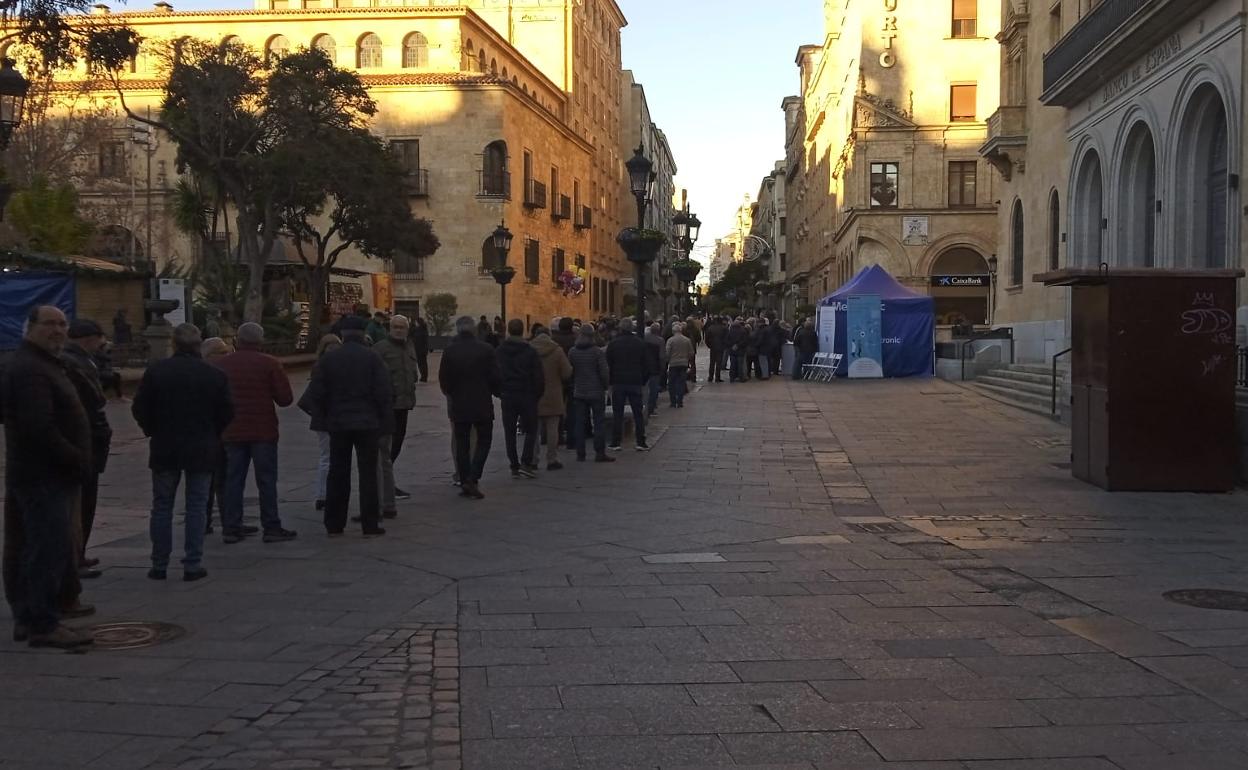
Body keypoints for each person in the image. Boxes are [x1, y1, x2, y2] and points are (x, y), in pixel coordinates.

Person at [2, 306, 95, 648]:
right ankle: (43, 622)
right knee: (47, 548)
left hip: (43, 473)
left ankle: (30, 617)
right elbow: (38, 427)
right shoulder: (30, 369)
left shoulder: (42, 364)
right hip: (44, 475)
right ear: (30, 327)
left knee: (32, 545)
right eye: (49, 324)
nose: (57, 330)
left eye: (62, 324)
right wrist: (75, 458)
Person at [131, 323, 234, 582]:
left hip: (165, 445)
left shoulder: (157, 372)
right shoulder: (214, 375)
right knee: (197, 506)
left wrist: (151, 428)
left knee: (162, 505)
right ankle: (192, 563)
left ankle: (159, 563)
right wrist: (213, 432)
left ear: (174, 344)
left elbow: (140, 406)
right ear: (199, 345)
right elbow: (227, 412)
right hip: (202, 446)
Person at [300, 317, 392, 537]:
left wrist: (323, 419)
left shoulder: (329, 360)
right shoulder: (373, 358)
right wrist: (386, 423)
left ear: (343, 334)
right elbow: (383, 393)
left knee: (337, 472)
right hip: (367, 423)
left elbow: (317, 393)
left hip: (338, 423)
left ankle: (334, 522)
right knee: (368, 473)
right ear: (362, 334)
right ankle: (370, 524)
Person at [213, 322, 297, 544]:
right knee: (266, 480)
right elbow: (285, 399)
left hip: (232, 429)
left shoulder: (222, 365)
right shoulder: (269, 363)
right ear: (261, 341)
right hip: (263, 430)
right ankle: (271, 526)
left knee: (233, 480)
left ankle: (231, 527)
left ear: (236, 340)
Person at [61, 319, 113, 579]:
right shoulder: (75, 363)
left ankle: (78, 554)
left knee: (83, 503)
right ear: (88, 338)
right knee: (81, 504)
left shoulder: (81, 360)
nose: (103, 344)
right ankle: (74, 557)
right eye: (100, 338)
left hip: (87, 441)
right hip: (84, 442)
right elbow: (95, 400)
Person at [439, 316, 502, 499]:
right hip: (482, 403)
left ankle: (465, 478)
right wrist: (495, 391)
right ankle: (473, 477)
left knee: (462, 443)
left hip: (460, 405)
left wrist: (452, 393)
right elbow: (495, 377)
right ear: (474, 329)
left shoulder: (450, 351)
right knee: (484, 440)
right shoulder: (486, 349)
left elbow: (444, 380)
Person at [373, 315, 419, 516]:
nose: (398, 330)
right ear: (389, 328)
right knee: (385, 449)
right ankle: (383, 486)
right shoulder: (380, 349)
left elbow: (412, 373)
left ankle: (388, 483)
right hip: (387, 407)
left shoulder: (409, 346)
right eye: (395, 327)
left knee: (397, 445)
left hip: (404, 405)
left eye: (402, 327)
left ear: (407, 329)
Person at [495, 319, 544, 479]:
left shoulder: (500, 351)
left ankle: (514, 465)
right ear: (522, 331)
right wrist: (537, 394)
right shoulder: (530, 351)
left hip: (508, 395)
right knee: (531, 429)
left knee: (510, 431)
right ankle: (526, 462)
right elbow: (538, 376)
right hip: (527, 394)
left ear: (509, 330)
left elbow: (495, 373)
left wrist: (499, 392)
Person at [299, 334, 341, 513]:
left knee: (326, 457)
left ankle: (323, 495)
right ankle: (325, 495)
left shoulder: (318, 366)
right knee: (331, 458)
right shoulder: (338, 366)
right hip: (333, 417)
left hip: (322, 419)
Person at [201, 337, 235, 535]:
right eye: (223, 353)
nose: (227, 356)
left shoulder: (218, 373)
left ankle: (220, 521)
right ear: (209, 355)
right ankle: (219, 523)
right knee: (213, 482)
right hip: (211, 436)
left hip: (214, 435)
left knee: (218, 481)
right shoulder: (214, 376)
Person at [568, 325, 614, 463]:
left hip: (579, 391)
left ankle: (580, 453)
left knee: (580, 422)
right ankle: (599, 452)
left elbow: (570, 371)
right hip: (596, 391)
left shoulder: (573, 351)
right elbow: (604, 372)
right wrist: (605, 385)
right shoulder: (597, 352)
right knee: (598, 422)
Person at [605, 318, 651, 452]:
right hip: (635, 381)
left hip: (618, 382)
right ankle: (641, 441)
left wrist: (610, 380)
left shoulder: (613, 344)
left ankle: (616, 441)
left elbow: (608, 363)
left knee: (617, 412)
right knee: (638, 413)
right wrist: (642, 380)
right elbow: (646, 364)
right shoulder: (640, 343)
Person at [531, 325, 572, 470]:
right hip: (553, 393)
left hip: (534, 394)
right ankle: (551, 458)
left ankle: (533, 459)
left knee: (534, 430)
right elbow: (567, 372)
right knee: (552, 428)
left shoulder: (530, 350)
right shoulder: (557, 351)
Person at [666, 322, 695, 408]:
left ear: (673, 331)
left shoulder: (670, 340)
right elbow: (691, 352)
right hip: (683, 364)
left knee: (671, 383)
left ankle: (673, 401)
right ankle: (680, 401)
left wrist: (668, 360)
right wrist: (686, 358)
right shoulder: (687, 340)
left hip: (673, 364)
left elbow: (667, 353)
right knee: (681, 382)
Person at [643, 322, 666, 418]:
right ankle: (651, 408)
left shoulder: (644, 338)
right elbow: (661, 356)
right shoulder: (660, 341)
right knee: (654, 389)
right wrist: (663, 367)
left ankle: (645, 407)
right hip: (655, 367)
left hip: (644, 367)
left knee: (645, 389)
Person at [704, 315, 727, 383]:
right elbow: (726, 338)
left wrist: (709, 345)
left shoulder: (710, 328)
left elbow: (706, 338)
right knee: (718, 363)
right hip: (720, 347)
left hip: (713, 347)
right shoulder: (724, 328)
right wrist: (724, 345)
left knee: (712, 363)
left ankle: (710, 377)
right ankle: (717, 377)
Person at [411, 315, 430, 383]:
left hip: (419, 349)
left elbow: (416, 339)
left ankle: (423, 377)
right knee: (423, 364)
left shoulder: (418, 330)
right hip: (422, 349)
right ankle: (424, 377)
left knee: (420, 364)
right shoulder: (423, 329)